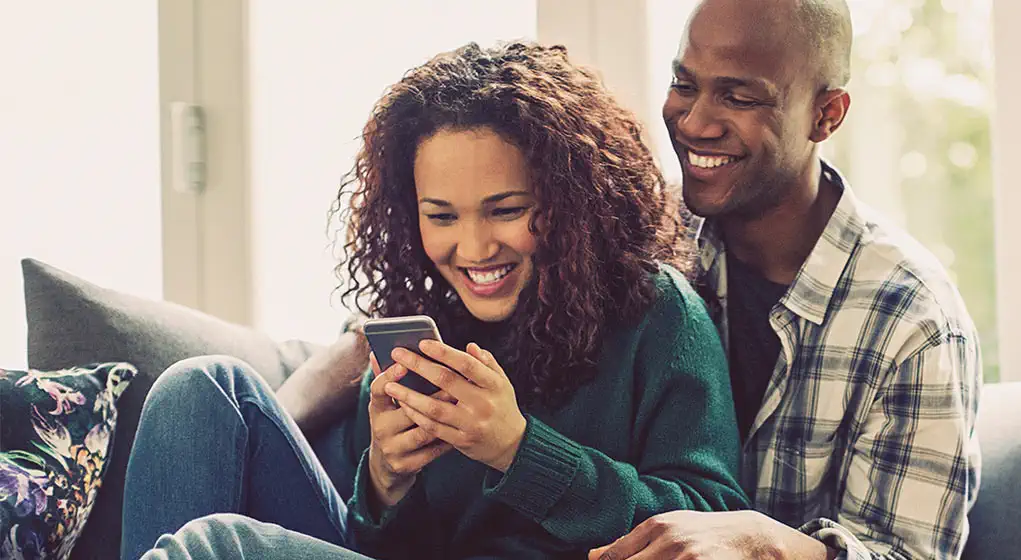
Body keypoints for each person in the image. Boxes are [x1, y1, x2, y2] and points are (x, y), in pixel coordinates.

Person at [120, 41, 749, 559]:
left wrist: (518, 449)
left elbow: (718, 527)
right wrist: (385, 484)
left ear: (570, 206)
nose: (473, 248)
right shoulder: (418, 329)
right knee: (201, 387)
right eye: (440, 216)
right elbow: (379, 545)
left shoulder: (655, 313)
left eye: (506, 211)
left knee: (216, 547)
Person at [591, 0, 984, 558]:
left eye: (740, 97)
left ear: (826, 115)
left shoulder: (914, 319)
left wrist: (766, 546)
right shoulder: (641, 245)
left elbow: (911, 554)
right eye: (684, 83)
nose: (696, 122)